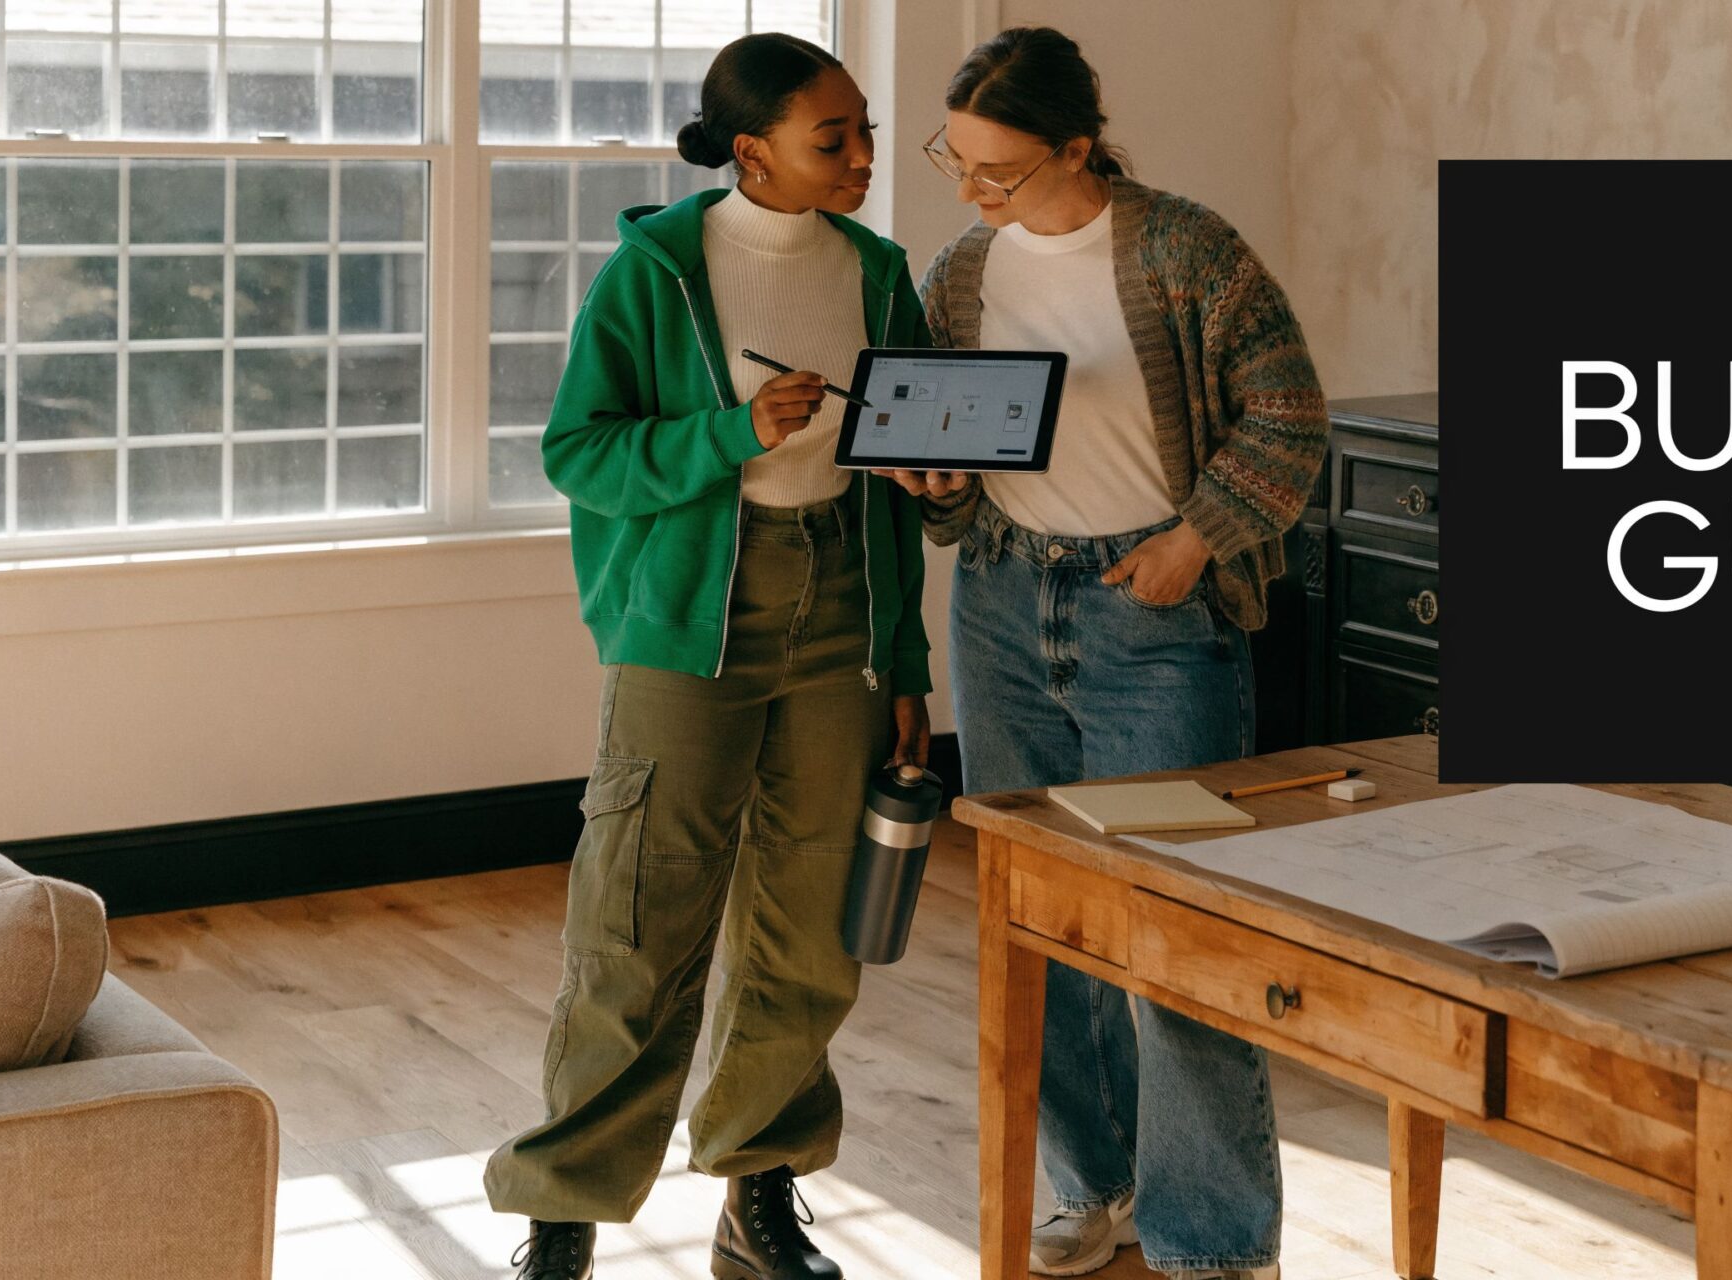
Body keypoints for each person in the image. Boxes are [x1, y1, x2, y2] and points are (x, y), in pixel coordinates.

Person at [482, 32, 935, 1280]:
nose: (862, 155)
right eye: (832, 137)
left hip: (843, 613)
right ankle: (563, 1210)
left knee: (814, 927)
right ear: (752, 150)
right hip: (687, 619)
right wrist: (731, 432)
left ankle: (760, 1188)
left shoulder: (878, 272)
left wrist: (906, 657)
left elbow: (904, 483)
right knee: (637, 917)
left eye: (865, 131)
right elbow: (579, 452)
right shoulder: (655, 272)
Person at [880, 26, 1328, 1280]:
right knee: (1047, 920)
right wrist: (936, 479)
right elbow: (956, 449)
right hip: (1002, 604)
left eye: (1000, 168)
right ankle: (1096, 1183)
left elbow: (1289, 416)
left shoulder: (1187, 251)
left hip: (1155, 611)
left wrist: (1197, 539)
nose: (972, 190)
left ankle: (1216, 1241)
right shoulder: (963, 271)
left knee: (1181, 924)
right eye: (956, 161)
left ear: (1078, 147)